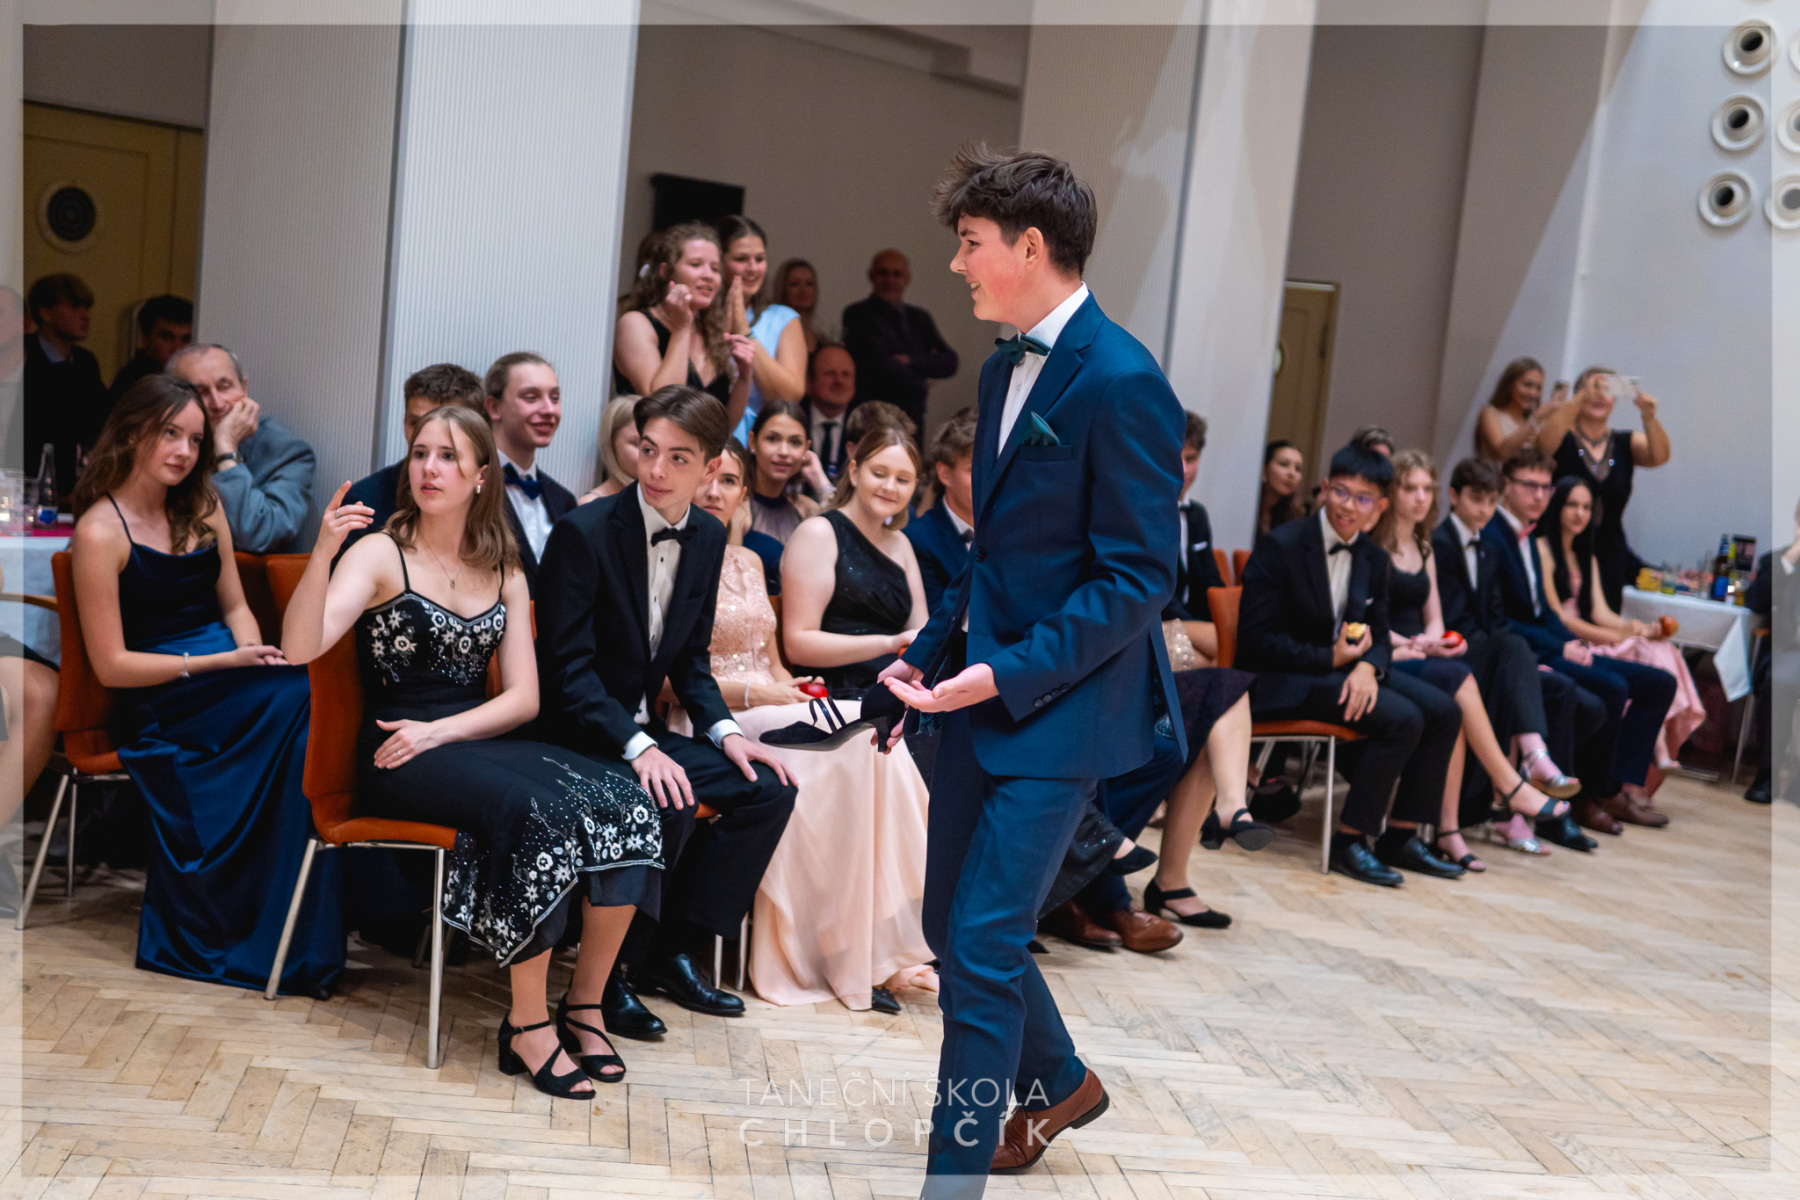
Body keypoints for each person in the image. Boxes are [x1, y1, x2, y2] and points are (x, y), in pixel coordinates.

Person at [877, 145, 1186, 1189]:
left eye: (969, 244)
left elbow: (1137, 579)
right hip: (973, 698)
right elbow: (993, 558)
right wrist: (921, 658)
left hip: (1059, 711)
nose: (956, 264)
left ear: (1030, 246)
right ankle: (1059, 1080)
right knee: (947, 923)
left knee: (981, 943)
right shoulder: (1002, 367)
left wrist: (1006, 675)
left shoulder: (1125, 380)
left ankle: (951, 1177)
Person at [284, 406, 662, 1096]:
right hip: (397, 753)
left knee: (627, 800)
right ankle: (526, 1024)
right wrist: (321, 554)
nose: (429, 469)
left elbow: (524, 699)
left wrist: (444, 730)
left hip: (464, 737)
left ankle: (584, 1004)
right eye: (421, 454)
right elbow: (300, 647)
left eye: (449, 457)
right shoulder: (379, 552)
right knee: (541, 815)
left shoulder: (504, 564)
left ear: (481, 476)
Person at [535, 384, 796, 1039]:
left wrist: (728, 734)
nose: (655, 469)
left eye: (678, 458)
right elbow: (568, 671)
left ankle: (669, 950)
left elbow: (691, 663)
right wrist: (639, 747)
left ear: (711, 467)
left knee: (766, 789)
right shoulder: (584, 532)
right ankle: (606, 979)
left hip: (642, 735)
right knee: (669, 798)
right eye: (648, 450)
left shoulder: (707, 537)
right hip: (574, 733)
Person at [68, 375, 342, 994]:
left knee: (309, 703)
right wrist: (214, 664)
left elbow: (236, 607)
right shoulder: (99, 532)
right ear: (132, 432)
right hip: (163, 698)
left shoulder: (204, 505)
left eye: (195, 439)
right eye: (170, 434)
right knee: (302, 701)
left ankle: (287, 936)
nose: (185, 451)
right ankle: (253, 930)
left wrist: (250, 655)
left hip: (228, 681)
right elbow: (111, 666)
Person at [686, 441, 934, 1012]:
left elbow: (774, 658)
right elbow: (673, 678)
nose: (715, 492)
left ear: (744, 494)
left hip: (773, 700)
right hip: (716, 714)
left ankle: (876, 942)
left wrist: (792, 688)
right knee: (854, 746)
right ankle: (828, 952)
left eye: (729, 481)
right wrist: (762, 692)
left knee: (875, 734)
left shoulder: (748, 562)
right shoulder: (674, 560)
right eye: (707, 477)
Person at [1239, 443, 1465, 887]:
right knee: (1403, 718)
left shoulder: (1372, 557)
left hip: (1339, 672)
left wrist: (1368, 668)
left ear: (1380, 507)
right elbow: (1255, 640)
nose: (1348, 506)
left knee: (1445, 711)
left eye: (1363, 499)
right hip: (1284, 679)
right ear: (1325, 489)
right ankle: (1349, 841)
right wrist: (1331, 658)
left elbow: (1378, 633)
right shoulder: (1281, 546)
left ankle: (1401, 835)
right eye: (1341, 492)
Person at [1375, 450, 1571, 871]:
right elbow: (1367, 617)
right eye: (1410, 488)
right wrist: (1413, 644)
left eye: (1425, 489)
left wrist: (1431, 642)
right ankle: (1511, 784)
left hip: (1423, 651)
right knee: (1469, 679)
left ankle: (1455, 828)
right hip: (1389, 652)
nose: (1420, 497)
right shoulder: (1379, 546)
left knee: (1507, 663)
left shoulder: (1424, 547)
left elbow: (1435, 618)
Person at [1484, 446, 1677, 837]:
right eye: (1530, 486)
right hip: (1526, 651)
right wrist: (1562, 646)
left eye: (1545, 487)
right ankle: (1592, 796)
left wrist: (1575, 643)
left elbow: (1545, 614)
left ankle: (1618, 784)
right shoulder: (1503, 538)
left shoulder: (1527, 539)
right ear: (1506, 486)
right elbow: (1501, 620)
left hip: (1552, 642)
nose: (1539, 495)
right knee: (1611, 688)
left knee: (1660, 681)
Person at [1433, 457, 1600, 857]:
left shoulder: (1486, 546)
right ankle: (1530, 767)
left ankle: (1523, 794)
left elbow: (1496, 618)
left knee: (1551, 682)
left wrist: (1515, 659)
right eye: (1476, 499)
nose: (1484, 510)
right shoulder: (1441, 543)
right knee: (1513, 651)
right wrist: (1507, 655)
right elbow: (1455, 619)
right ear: (1454, 497)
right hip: (1452, 651)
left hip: (1485, 651)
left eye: (1490, 501)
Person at [1539, 477, 1703, 781]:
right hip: (1568, 638)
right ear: (1557, 506)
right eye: (1572, 505)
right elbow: (1562, 619)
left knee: (1660, 648)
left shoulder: (1586, 555)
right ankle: (1631, 768)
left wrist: (1638, 628)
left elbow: (1600, 612)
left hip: (1589, 631)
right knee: (1638, 657)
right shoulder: (1543, 550)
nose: (1580, 514)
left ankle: (1650, 758)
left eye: (1586, 507)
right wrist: (1618, 636)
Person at [783, 425, 929, 699]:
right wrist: (889, 643)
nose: (890, 487)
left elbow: (921, 633)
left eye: (903, 479)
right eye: (879, 474)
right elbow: (797, 645)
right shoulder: (818, 533)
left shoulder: (901, 543)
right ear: (854, 472)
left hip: (892, 690)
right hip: (831, 691)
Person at [1536, 366, 1671, 610]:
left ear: (1616, 399)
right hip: (1561, 548)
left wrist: (1649, 416)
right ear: (1579, 394)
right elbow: (1543, 446)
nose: (1599, 396)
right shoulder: (1562, 436)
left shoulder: (1624, 442)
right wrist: (1578, 400)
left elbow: (1659, 456)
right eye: (1593, 388)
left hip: (1609, 551)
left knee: (1605, 621)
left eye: (1607, 390)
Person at [166, 344, 317, 554]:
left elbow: (260, 536)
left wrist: (226, 450)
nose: (217, 403)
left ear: (244, 388)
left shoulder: (288, 452)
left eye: (224, 386)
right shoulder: (165, 446)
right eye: (201, 392)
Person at [613, 223, 754, 426]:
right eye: (696, 265)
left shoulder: (711, 332)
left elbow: (726, 426)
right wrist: (681, 329)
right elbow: (661, 405)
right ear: (665, 271)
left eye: (715, 269)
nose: (708, 275)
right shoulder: (635, 324)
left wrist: (745, 377)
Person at [341, 363, 485, 557]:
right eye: (415, 423)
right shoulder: (365, 502)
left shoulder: (498, 501)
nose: (423, 435)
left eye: (445, 426)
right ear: (404, 423)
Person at [483, 352, 578, 592]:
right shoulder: (469, 488)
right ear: (494, 407)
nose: (549, 409)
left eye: (555, 398)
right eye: (531, 397)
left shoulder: (564, 501)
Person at [841, 249, 959, 431]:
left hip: (913, 418)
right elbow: (882, 365)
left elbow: (950, 362)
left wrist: (911, 360)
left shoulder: (919, 317)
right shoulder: (858, 314)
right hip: (872, 418)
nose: (890, 280)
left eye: (897, 274)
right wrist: (924, 380)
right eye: (883, 273)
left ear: (907, 278)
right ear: (871, 276)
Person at [717, 215, 806, 441]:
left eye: (759, 259)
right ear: (719, 261)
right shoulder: (698, 316)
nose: (753, 268)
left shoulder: (782, 318)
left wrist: (743, 329)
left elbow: (788, 396)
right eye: (741, 259)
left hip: (763, 442)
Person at [24, 273, 109, 500]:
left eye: (86, 308)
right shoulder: (21, 356)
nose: (85, 315)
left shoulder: (85, 362)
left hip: (72, 484)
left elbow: (99, 419)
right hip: (24, 483)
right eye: (74, 307)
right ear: (46, 313)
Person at [1745, 502, 1800, 805]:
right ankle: (1768, 773)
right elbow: (1755, 602)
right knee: (1778, 682)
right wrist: (1790, 560)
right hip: (1790, 650)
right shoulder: (1777, 561)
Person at [1164, 412, 1225, 662]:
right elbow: (1160, 592)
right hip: (1158, 621)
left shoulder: (1197, 515)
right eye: (1175, 457)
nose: (1183, 469)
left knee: (1231, 640)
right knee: (1219, 649)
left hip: (1191, 623)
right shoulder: (1146, 512)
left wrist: (1225, 615)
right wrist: (1202, 628)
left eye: (1191, 459)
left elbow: (1211, 582)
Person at [906, 408, 978, 616]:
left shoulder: (1012, 531)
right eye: (972, 469)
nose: (985, 479)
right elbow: (938, 618)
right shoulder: (918, 539)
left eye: (990, 467)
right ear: (945, 473)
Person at [745, 400, 821, 547]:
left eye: (795, 442)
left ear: (806, 449)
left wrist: (820, 482)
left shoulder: (808, 510)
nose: (784, 452)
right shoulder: (735, 506)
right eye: (772, 439)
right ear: (752, 442)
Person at [1475, 356, 1566, 465]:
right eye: (1527, 385)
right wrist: (1536, 419)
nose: (1533, 393)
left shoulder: (1534, 423)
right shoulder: (1490, 413)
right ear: (1510, 384)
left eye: (1538, 388)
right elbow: (1502, 451)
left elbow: (1552, 457)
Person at [109, 294, 194, 403]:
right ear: (146, 339)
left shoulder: (198, 378)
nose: (177, 347)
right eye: (167, 337)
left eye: (186, 339)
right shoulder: (132, 381)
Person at [799, 342, 856, 484]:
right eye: (830, 373)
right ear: (809, 382)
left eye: (846, 374)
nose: (839, 381)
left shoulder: (863, 428)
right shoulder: (794, 419)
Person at [586, 395, 641, 501]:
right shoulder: (593, 503)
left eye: (650, 448)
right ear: (611, 442)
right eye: (636, 444)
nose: (647, 456)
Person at [1256, 439, 1308, 535]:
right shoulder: (1249, 508)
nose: (1292, 473)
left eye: (1298, 469)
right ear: (1264, 470)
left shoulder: (1296, 518)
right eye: (1284, 464)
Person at [773, 258, 822, 355]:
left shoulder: (823, 343)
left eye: (809, 284)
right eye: (795, 284)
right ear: (783, 289)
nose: (803, 290)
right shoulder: (772, 337)